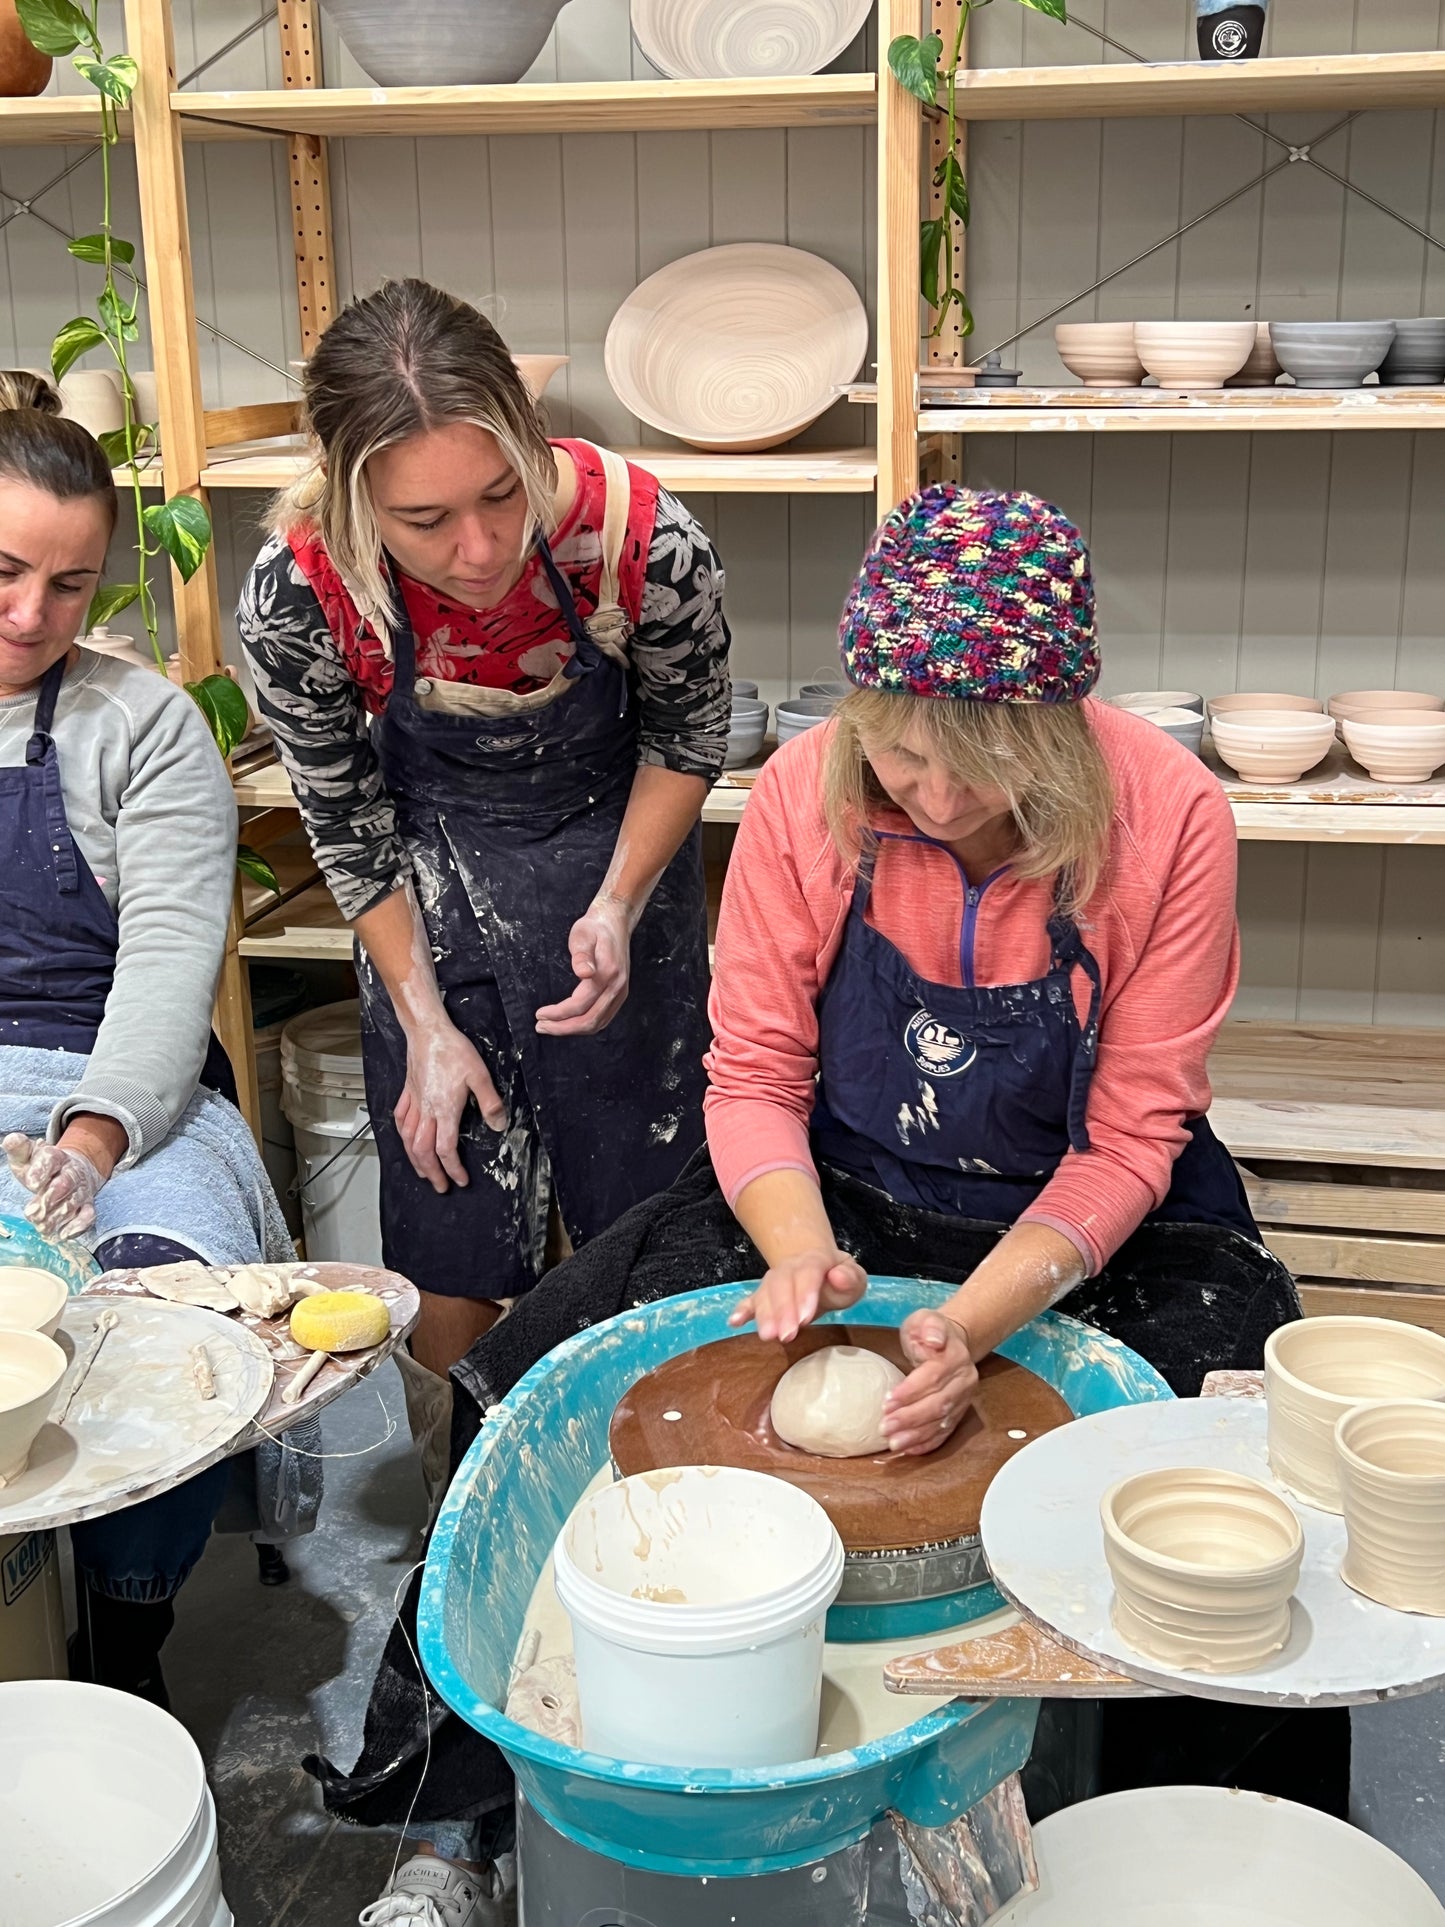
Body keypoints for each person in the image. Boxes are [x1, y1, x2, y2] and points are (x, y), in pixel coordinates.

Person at [316, 486, 1345, 1916]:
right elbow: (751, 1074)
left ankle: (1195, 1849)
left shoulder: (1167, 816)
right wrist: (798, 1251)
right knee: (521, 1372)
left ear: (1053, 737)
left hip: (1091, 1208)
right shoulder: (811, 789)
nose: (925, 797)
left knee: (1238, 1484)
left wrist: (974, 1323)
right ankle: (453, 1830)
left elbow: (1133, 1136)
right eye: (901, 756)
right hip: (839, 1179)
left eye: (970, 773)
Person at [236, 278, 729, 1421]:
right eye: (424, 521)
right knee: (452, 1206)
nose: (480, 548)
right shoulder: (302, 593)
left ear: (525, 434)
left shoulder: (640, 538)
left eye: (502, 494)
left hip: (621, 864)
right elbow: (344, 820)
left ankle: (643, 1464)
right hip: (426, 884)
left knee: (642, 1212)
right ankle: (466, 1489)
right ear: (352, 494)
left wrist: (613, 904)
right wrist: (423, 1021)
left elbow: (688, 735)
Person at [0, 372, 298, 1706]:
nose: (32, 615)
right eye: (6, 572)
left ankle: (128, 1624)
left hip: (125, 1083)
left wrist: (92, 1135)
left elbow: (173, 958)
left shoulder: (142, 724)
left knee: (165, 1291)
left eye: (69, 586)